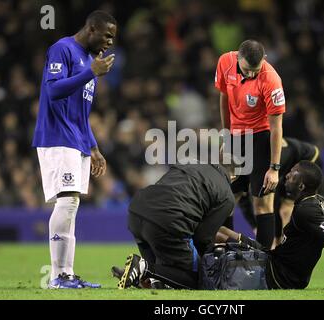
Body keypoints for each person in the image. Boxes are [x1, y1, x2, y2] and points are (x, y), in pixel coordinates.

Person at [32, 10, 117, 289]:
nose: (110, 42)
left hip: (77, 140)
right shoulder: (62, 49)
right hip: (57, 136)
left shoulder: (91, 63)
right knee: (67, 201)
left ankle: (66, 274)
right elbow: (53, 90)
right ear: (91, 29)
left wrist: (93, 146)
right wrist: (89, 73)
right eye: (107, 35)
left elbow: (80, 114)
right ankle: (57, 276)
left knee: (72, 204)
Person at [217, 160, 324, 289]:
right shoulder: (321, 202)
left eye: (293, 174)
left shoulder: (307, 211)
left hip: (277, 275)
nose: (287, 175)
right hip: (275, 260)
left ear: (301, 186)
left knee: (219, 238)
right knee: (223, 231)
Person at [112, 162, 235, 290]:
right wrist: (206, 264)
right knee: (197, 279)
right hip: (166, 221)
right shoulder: (226, 195)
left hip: (137, 211)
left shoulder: (189, 165)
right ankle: (142, 268)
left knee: (163, 277)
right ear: (233, 177)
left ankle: (143, 277)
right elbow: (203, 237)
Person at [215, 39, 286, 249]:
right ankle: (223, 253)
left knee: (262, 203)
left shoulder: (272, 80)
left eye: (256, 70)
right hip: (236, 138)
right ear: (237, 58)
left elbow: (276, 127)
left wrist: (274, 168)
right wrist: (227, 137)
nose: (252, 74)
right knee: (226, 200)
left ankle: (263, 261)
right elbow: (224, 99)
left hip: (261, 137)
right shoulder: (224, 62)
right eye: (247, 70)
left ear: (263, 60)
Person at [238, 137, 322, 248]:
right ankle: (279, 244)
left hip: (308, 158)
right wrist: (255, 227)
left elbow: (273, 205)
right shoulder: (243, 170)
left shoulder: (268, 163)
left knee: (285, 209)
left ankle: (288, 245)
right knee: (272, 206)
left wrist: (274, 238)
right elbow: (243, 201)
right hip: (285, 168)